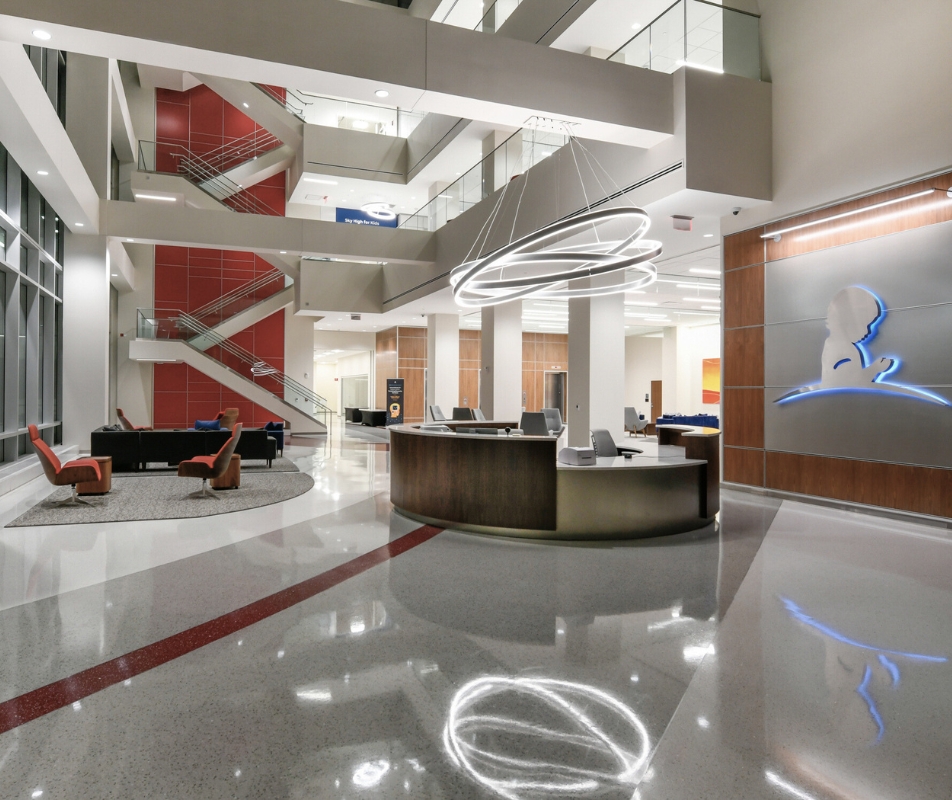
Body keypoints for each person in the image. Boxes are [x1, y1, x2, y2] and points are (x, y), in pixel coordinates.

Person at [819, 286, 893, 388]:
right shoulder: (843, 350)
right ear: (846, 322)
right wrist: (877, 368)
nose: (869, 331)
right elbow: (851, 382)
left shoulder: (832, 344)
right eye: (866, 325)